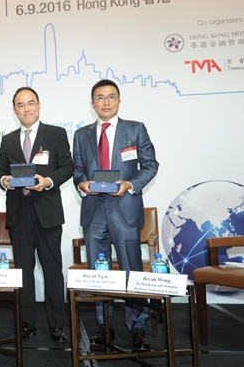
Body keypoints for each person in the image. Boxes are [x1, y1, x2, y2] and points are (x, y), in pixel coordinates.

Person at [72, 79, 159, 351]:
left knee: (132, 269)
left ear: (119, 101)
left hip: (125, 210)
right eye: (100, 98)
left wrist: (130, 184)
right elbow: (77, 169)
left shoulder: (135, 129)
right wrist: (82, 183)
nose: (106, 102)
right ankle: (104, 327)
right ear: (92, 104)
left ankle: (138, 328)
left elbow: (150, 165)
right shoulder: (81, 134)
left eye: (111, 97)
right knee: (99, 273)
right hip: (94, 209)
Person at [0, 86, 73, 343]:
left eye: (30, 103)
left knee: (52, 270)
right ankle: (26, 322)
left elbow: (67, 166)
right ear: (14, 109)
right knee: (23, 271)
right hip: (19, 213)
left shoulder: (55, 133)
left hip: (47, 211)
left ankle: (57, 324)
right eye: (20, 105)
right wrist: (5, 179)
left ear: (38, 106)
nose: (26, 109)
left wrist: (47, 180)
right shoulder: (7, 140)